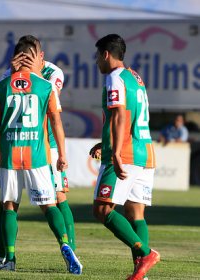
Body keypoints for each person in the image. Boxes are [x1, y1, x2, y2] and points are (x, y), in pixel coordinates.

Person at [0, 39, 82, 274]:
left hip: (9, 153)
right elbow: (57, 121)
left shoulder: (0, 85)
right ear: (37, 56)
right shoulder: (45, 85)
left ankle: (10, 257)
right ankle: (65, 245)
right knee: (50, 205)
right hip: (38, 153)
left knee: (9, 206)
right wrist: (63, 153)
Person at [89, 34, 160, 280]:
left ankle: (146, 253)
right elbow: (129, 115)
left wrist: (116, 151)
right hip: (146, 152)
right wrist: (105, 141)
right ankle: (141, 272)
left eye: (98, 56)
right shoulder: (135, 78)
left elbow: (119, 115)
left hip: (126, 153)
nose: (97, 62)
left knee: (102, 209)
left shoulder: (114, 77)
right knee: (135, 213)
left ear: (106, 54)